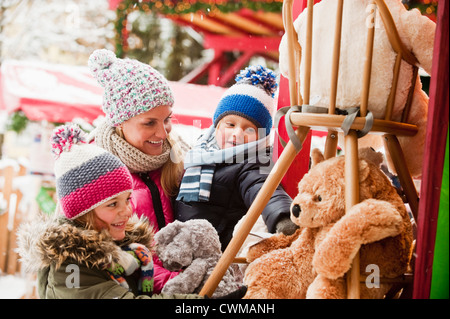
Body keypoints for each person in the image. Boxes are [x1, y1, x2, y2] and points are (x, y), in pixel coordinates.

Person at [17, 125, 201, 299]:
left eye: (128, 199)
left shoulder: (123, 250)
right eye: (113, 204)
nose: (127, 211)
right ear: (82, 212)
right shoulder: (70, 266)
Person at [87, 49, 185, 293]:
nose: (163, 133)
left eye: (167, 119)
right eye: (149, 123)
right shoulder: (93, 170)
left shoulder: (178, 158)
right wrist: (180, 282)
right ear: (119, 122)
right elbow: (108, 255)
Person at [175, 65, 298, 250]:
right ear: (217, 126)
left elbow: (264, 190)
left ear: (262, 137)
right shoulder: (201, 152)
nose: (237, 134)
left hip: (218, 250)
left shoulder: (254, 161)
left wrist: (283, 217)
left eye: (249, 129)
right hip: (184, 242)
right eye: (230, 124)